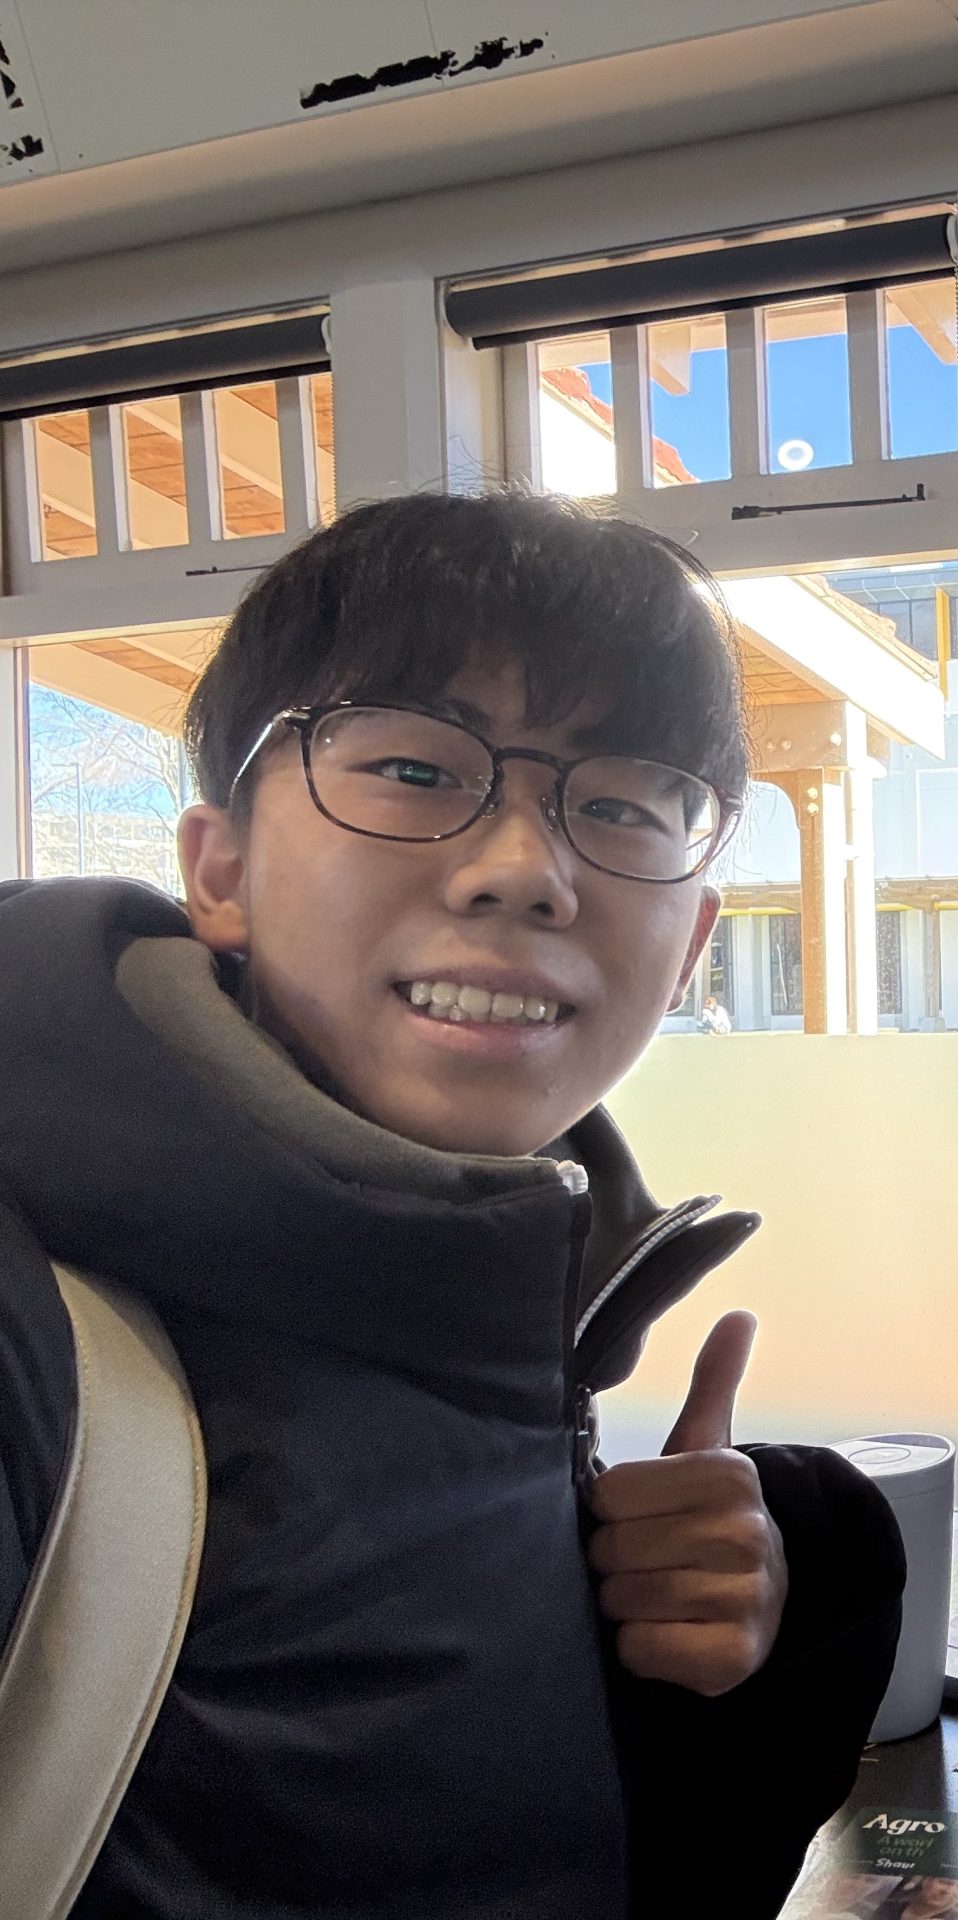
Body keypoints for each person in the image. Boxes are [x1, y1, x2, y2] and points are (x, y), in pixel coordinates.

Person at [0, 492, 906, 1916]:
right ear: (220, 869)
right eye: (416, 770)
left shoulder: (505, 1287)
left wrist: (693, 1647)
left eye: (621, 805)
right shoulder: (32, 1334)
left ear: (691, 948)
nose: (524, 872)